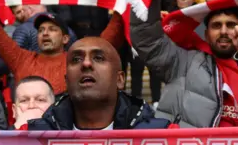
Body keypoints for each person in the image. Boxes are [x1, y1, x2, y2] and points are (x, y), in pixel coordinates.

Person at [0, 0, 125, 95]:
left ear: (65, 38)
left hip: (67, 130)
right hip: (31, 130)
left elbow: (109, 38)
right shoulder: (21, 59)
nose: (45, 33)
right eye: (41, 30)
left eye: (52, 29)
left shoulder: (78, 61)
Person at [26, 37, 172, 130]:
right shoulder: (32, 139)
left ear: (120, 79)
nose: (86, 63)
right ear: (67, 81)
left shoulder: (162, 136)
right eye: (76, 59)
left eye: (99, 58)